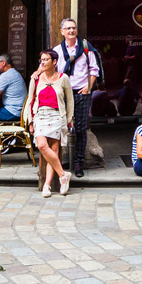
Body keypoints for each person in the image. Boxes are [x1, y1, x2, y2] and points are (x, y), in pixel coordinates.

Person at [53, 18, 99, 179]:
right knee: (60, 127)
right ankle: (61, 160)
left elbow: (94, 69)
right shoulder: (57, 51)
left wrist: (89, 87)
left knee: (80, 128)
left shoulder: (86, 49)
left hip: (81, 92)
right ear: (62, 31)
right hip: (64, 94)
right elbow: (51, 70)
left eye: (73, 28)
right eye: (68, 28)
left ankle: (79, 162)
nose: (71, 31)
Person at [25, 50, 74, 196]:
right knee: (41, 145)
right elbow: (30, 100)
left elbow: (70, 101)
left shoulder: (63, 78)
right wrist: (30, 120)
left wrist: (69, 119)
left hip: (57, 116)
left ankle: (47, 185)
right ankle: (63, 175)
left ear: (54, 62)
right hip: (41, 115)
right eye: (41, 60)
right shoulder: (36, 78)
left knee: (54, 149)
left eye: (46, 60)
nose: (43, 62)